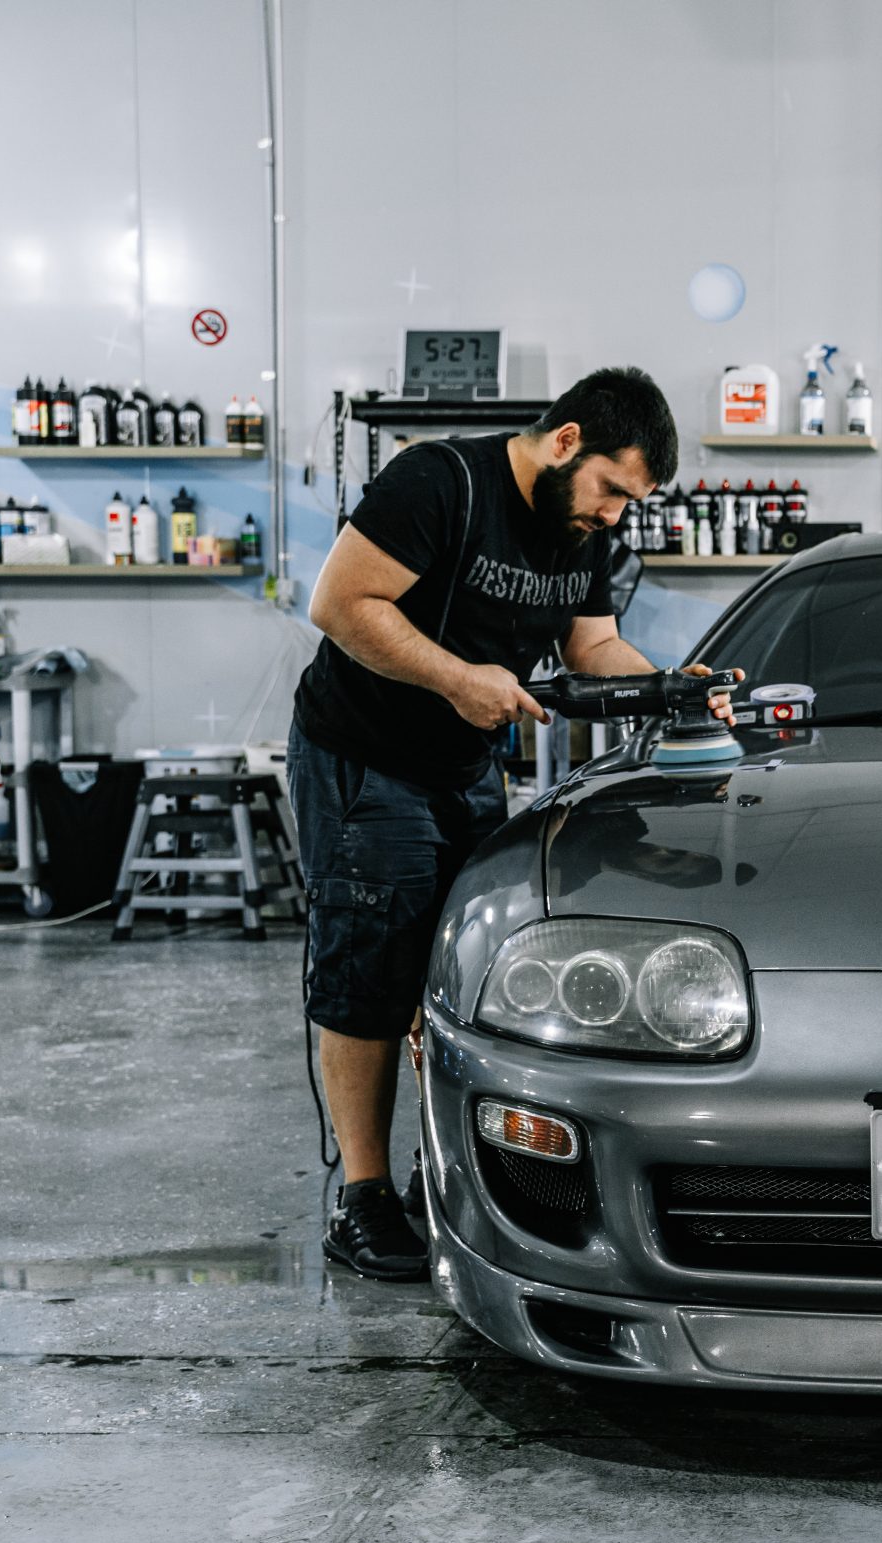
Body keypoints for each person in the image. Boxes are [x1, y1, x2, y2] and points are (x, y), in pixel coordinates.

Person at [288, 366, 724, 1280]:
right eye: (612, 490)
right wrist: (458, 678)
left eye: (627, 505)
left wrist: (675, 692)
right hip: (366, 758)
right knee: (371, 967)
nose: (613, 518)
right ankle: (361, 1198)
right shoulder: (439, 482)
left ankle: (431, 1175)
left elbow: (593, 645)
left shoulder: (581, 533)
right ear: (567, 441)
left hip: (462, 767)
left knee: (452, 972)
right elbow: (339, 605)